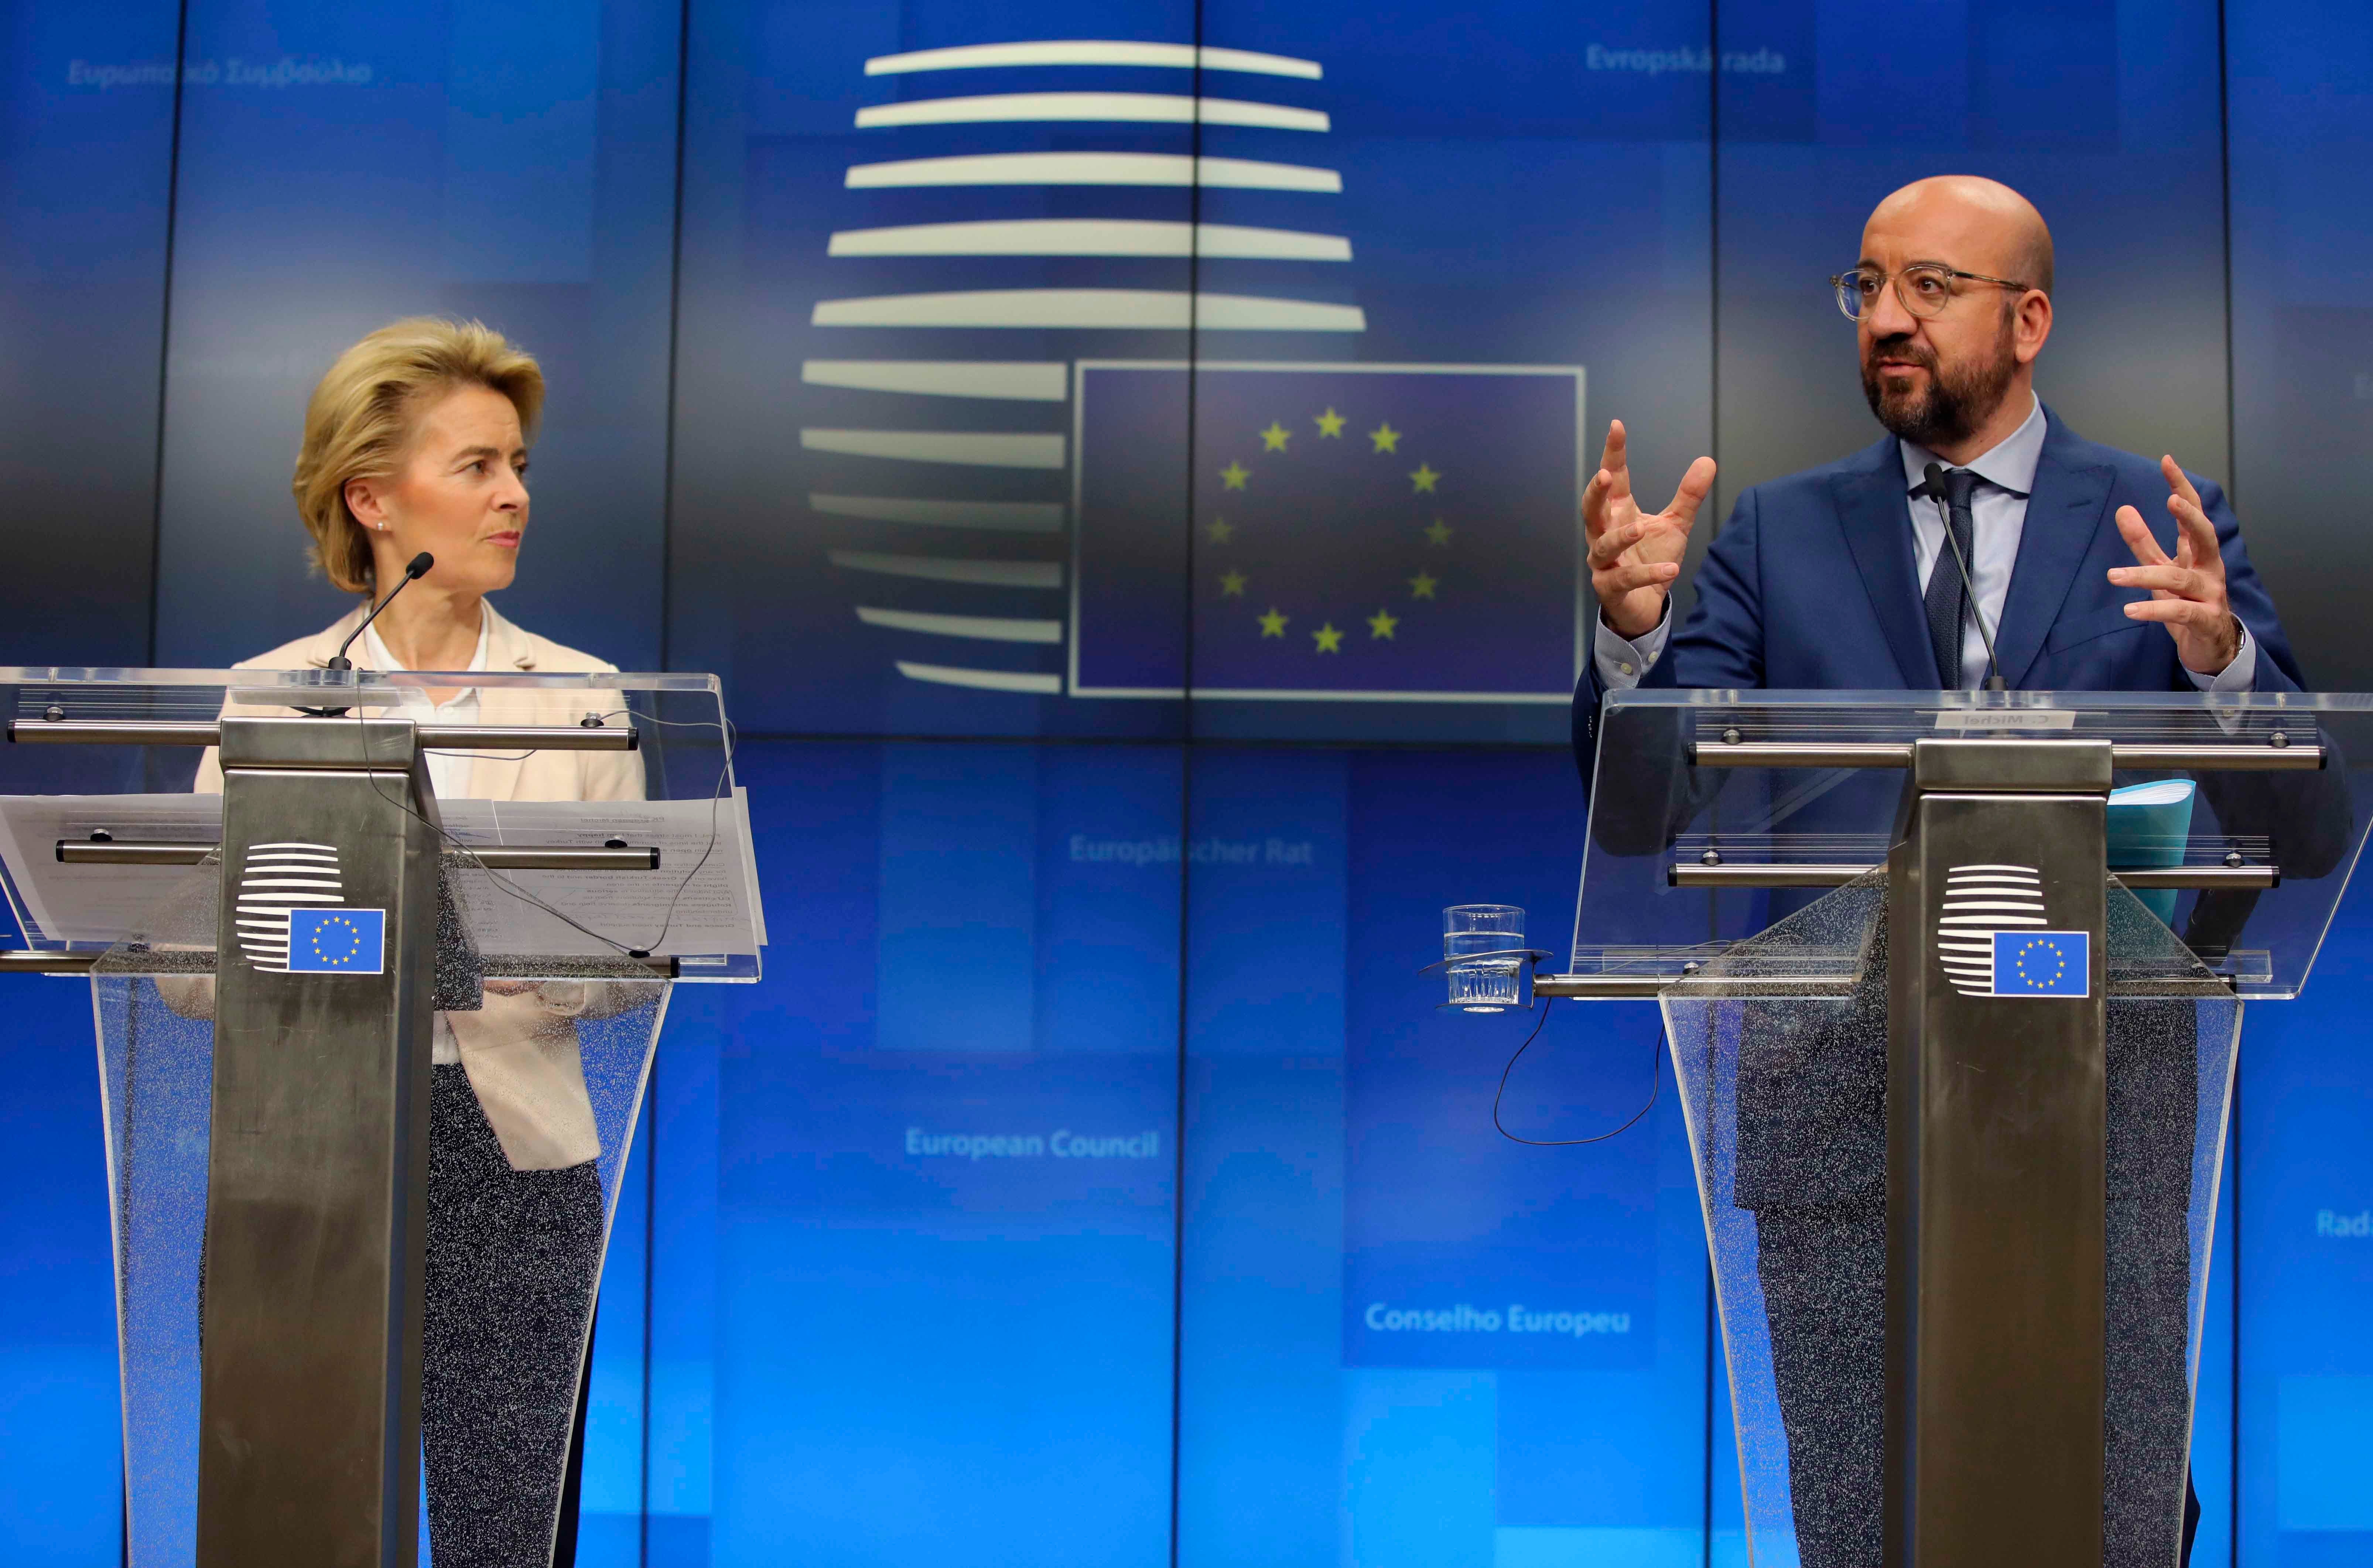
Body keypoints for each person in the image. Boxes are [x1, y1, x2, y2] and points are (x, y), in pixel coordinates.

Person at [1570, 177, 2305, 1568]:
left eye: (1928, 287)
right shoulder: (1778, 537)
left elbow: (2306, 820)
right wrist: (1633, 643)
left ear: (2027, 321)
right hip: (1834, 1107)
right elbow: (1639, 811)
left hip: (2094, 1115)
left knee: (2096, 1521)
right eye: (1866, 288)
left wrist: (2223, 668)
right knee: (1861, 1525)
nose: (1886, 320)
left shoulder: (2160, 522)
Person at [192, 318, 644, 1567]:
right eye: (479, 468)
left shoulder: (581, 693)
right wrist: (404, 939)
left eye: (520, 468)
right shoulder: (270, 692)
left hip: (513, 1159)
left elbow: (618, 962)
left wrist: (439, 944)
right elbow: (188, 966)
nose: (514, 498)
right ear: (373, 498)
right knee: (288, 1520)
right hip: (303, 1166)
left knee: (504, 1536)